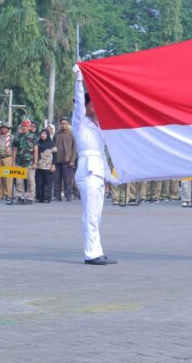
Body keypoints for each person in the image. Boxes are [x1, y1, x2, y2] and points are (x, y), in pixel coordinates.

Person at [72, 64, 118, 265]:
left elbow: (101, 156)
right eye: (93, 105)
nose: (96, 109)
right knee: (90, 215)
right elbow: (79, 104)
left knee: (96, 215)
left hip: (97, 171)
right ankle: (91, 254)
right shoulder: (79, 122)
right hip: (87, 171)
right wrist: (79, 81)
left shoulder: (97, 127)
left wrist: (113, 179)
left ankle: (96, 250)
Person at [11, 120, 38, 205]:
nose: (25, 128)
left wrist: (35, 162)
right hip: (19, 162)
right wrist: (13, 162)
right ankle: (20, 196)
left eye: (26, 126)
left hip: (29, 162)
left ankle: (30, 197)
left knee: (30, 180)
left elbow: (35, 150)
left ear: (30, 127)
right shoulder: (17, 136)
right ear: (21, 127)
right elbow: (14, 150)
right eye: (23, 126)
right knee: (19, 181)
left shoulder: (34, 137)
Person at [53, 117, 77, 201]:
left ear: (68, 124)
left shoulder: (71, 134)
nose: (63, 125)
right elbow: (53, 146)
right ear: (60, 124)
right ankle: (57, 196)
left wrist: (72, 160)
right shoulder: (57, 134)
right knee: (57, 179)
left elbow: (74, 148)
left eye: (65, 124)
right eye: (62, 124)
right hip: (57, 160)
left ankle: (68, 195)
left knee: (68, 180)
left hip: (68, 161)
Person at [35, 129, 57, 203]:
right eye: (42, 133)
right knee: (39, 182)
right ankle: (40, 196)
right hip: (39, 166)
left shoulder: (51, 144)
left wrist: (53, 165)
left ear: (47, 135)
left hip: (48, 166)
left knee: (48, 182)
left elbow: (55, 155)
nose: (43, 135)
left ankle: (46, 197)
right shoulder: (37, 144)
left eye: (45, 134)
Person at [0, 122, 13, 202]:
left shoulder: (11, 137)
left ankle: (8, 194)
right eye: (2, 127)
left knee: (7, 176)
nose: (4, 129)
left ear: (8, 129)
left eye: (5, 128)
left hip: (8, 158)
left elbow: (15, 149)